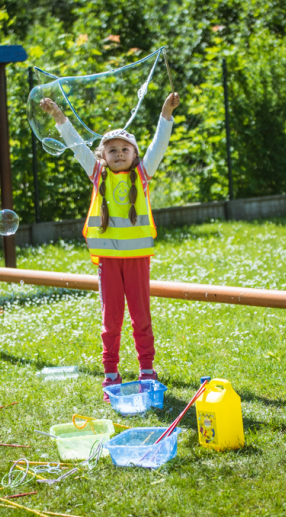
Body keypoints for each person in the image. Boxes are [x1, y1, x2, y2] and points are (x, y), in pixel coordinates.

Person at [40, 91, 180, 402]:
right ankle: (111, 374)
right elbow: (77, 145)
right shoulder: (97, 174)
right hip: (108, 261)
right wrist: (59, 117)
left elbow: (159, 146)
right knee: (111, 320)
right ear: (102, 156)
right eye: (112, 149)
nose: (119, 153)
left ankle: (146, 370)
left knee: (141, 317)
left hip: (136, 260)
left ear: (135, 154)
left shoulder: (142, 176)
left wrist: (165, 114)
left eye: (125, 149)